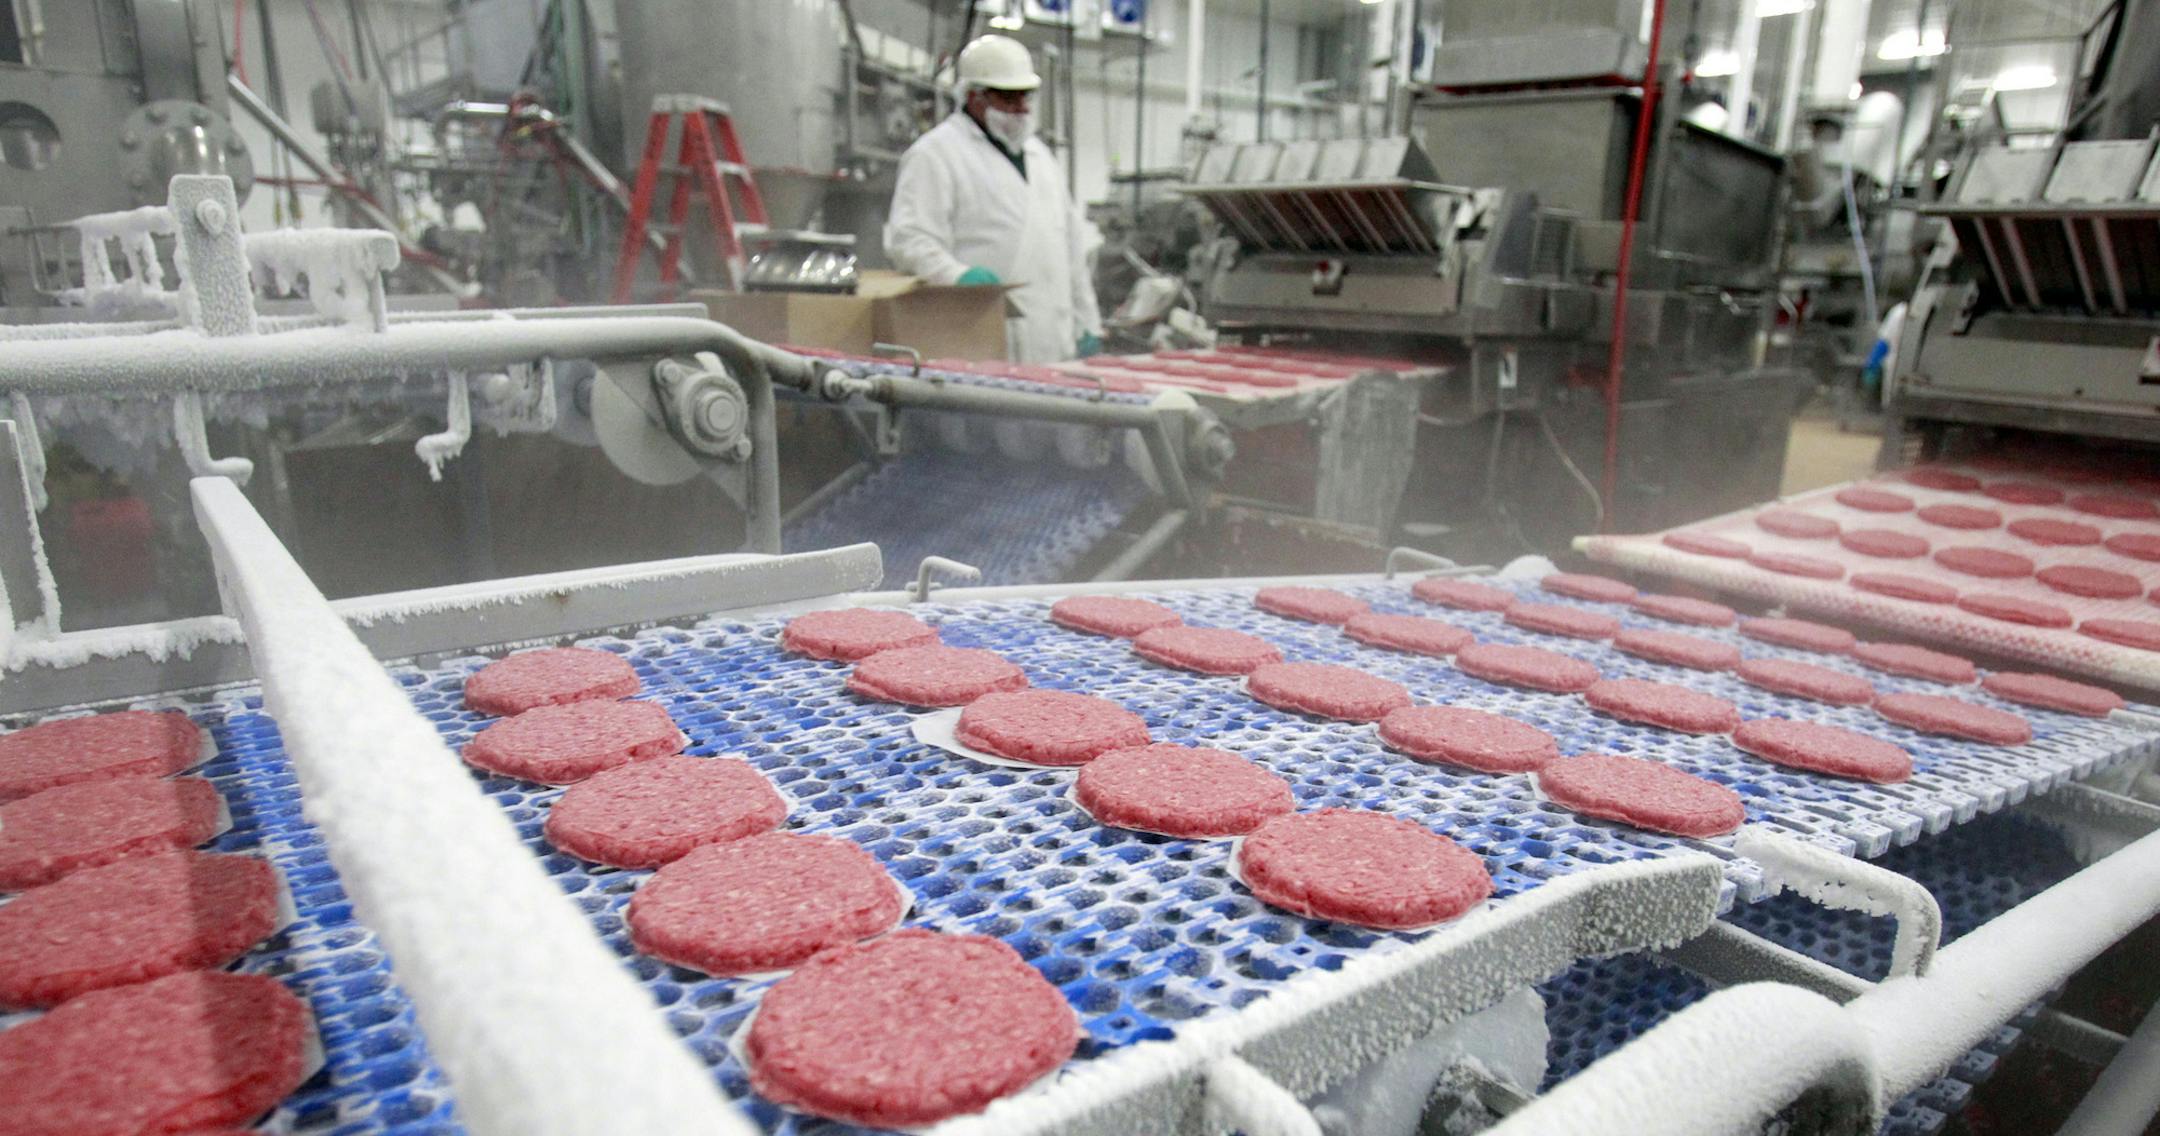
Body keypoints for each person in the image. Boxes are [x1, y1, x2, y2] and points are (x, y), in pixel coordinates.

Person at [884, 34, 1104, 364]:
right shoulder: (936, 154)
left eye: (1025, 97)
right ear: (974, 96)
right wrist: (956, 275)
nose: (1021, 109)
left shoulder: (1041, 157)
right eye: (1008, 98)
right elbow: (910, 240)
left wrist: (1088, 321)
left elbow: (1071, 248)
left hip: (1054, 341)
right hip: (981, 337)